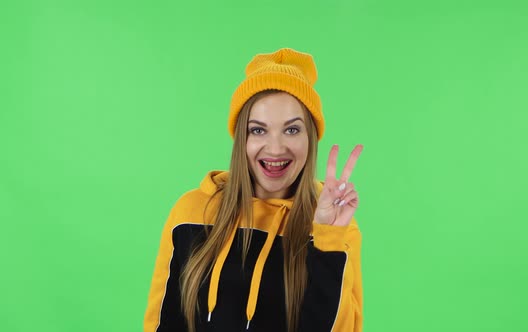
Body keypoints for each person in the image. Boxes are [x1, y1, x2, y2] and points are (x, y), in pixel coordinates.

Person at [143, 48, 363, 332]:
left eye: (292, 130)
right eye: (258, 130)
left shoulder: (334, 227)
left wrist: (328, 239)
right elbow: (162, 323)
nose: (275, 148)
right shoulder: (191, 212)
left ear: (311, 137)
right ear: (241, 140)